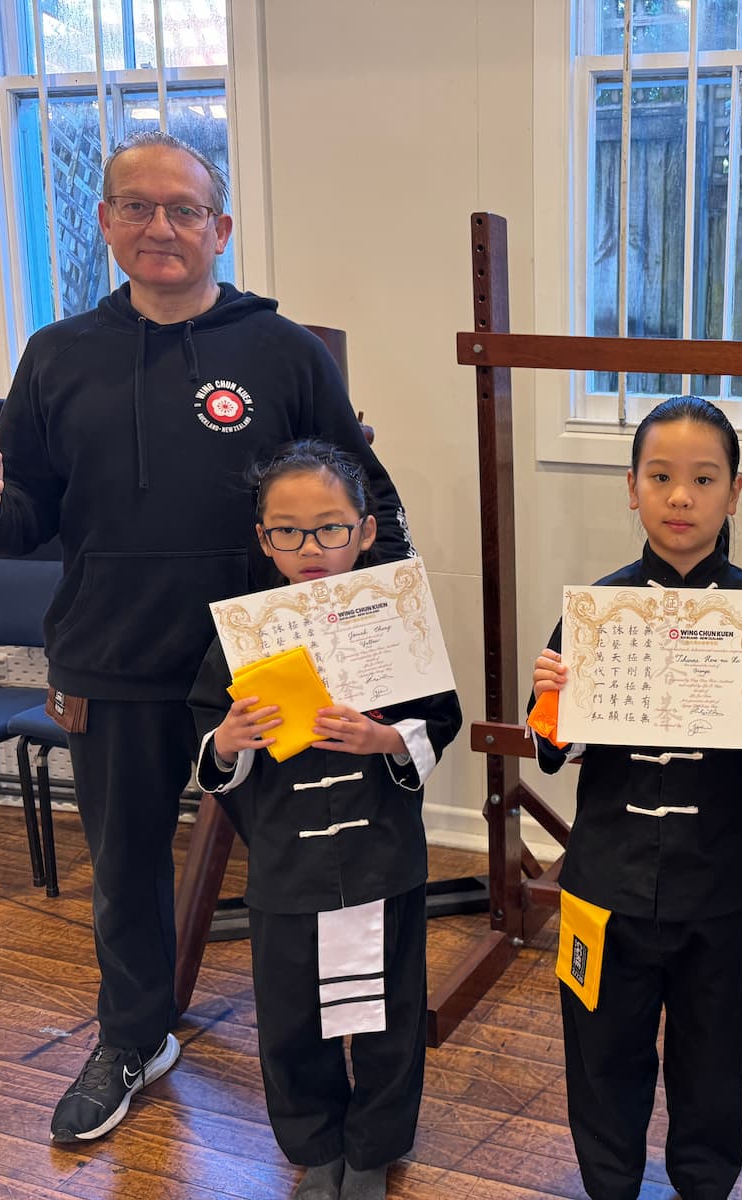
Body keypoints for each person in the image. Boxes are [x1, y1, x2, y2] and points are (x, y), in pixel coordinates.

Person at [0, 130, 412, 1144]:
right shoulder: (56, 355)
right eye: (139, 207)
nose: (163, 227)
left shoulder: (281, 351)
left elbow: (362, 501)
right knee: (124, 870)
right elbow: (25, 511)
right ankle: (133, 1038)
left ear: (220, 228)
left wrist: (378, 645)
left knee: (308, 857)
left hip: (269, 663)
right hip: (114, 656)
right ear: (105, 222)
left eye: (185, 209)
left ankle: (343, 1067)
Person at [529, 396, 742, 1200]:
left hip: (716, 884)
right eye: (660, 477)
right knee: (600, 1048)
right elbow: (552, 752)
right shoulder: (595, 611)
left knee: (711, 1050)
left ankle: (704, 1183)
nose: (681, 497)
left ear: (736, 492)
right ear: (632, 488)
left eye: (704, 478)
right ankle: (610, 1182)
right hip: (603, 880)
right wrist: (549, 699)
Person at [189, 441, 460, 1200]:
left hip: (381, 854)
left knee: (388, 1009)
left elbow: (441, 720)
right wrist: (229, 740)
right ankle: (315, 1146)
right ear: (263, 537)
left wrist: (384, 739)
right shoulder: (241, 636)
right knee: (291, 1016)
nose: (311, 548)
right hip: (287, 861)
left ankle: (374, 1147)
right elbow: (207, 742)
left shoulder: (395, 624)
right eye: (288, 531)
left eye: (330, 528)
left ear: (367, 531)